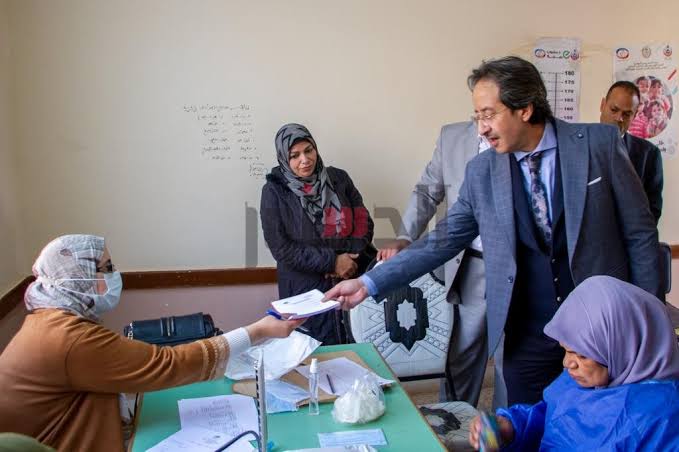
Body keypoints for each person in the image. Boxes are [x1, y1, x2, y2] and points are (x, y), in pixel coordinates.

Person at [326, 56, 661, 406]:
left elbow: (640, 234)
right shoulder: (482, 170)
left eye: (488, 115)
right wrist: (368, 283)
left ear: (525, 109)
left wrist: (648, 316)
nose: (481, 129)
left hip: (599, 327)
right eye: (477, 117)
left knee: (598, 420)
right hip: (525, 330)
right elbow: (443, 240)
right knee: (523, 420)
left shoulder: (599, 144)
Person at [0, 234, 304, 452]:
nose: (115, 274)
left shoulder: (48, 320)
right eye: (106, 268)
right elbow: (167, 364)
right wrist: (258, 331)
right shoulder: (68, 338)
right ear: (78, 278)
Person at [468, 276, 679, 451]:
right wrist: (511, 427)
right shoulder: (584, 378)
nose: (568, 363)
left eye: (582, 355)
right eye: (566, 350)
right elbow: (549, 415)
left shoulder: (662, 419)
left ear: (622, 349)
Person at [378, 121, 505, 408]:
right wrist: (405, 236)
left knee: (513, 360)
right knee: (462, 353)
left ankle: (510, 425)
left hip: (519, 267)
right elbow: (426, 192)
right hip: (470, 264)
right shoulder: (452, 137)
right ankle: (454, 420)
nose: (483, 122)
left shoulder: (524, 137)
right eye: (478, 111)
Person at [260, 123, 374, 345]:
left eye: (309, 150)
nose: (305, 160)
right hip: (305, 290)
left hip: (350, 279)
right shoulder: (274, 191)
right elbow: (281, 248)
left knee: (355, 346)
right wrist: (332, 262)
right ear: (284, 158)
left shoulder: (339, 179)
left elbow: (363, 221)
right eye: (295, 155)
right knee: (313, 353)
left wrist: (349, 258)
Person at [599, 80, 663, 223]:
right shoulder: (578, 146)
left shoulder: (649, 154)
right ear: (602, 105)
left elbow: (652, 211)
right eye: (614, 110)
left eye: (627, 114)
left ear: (634, 116)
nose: (619, 118)